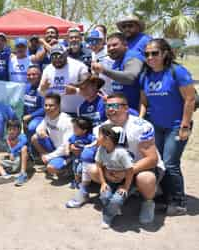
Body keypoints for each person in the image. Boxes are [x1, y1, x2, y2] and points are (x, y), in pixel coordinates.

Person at [69, 93, 165, 225]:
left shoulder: (141, 126)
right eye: (107, 106)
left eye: (115, 106)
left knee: (146, 178)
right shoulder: (100, 129)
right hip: (116, 169)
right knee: (92, 169)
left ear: (126, 108)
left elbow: (152, 159)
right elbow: (100, 157)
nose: (110, 109)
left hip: (141, 168)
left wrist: (126, 172)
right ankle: (113, 198)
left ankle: (148, 202)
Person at [139, 38, 196, 215]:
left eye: (154, 53)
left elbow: (190, 99)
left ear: (164, 53)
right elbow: (144, 102)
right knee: (159, 162)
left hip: (176, 126)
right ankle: (165, 197)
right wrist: (140, 120)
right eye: (147, 54)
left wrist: (185, 125)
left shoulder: (177, 72)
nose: (150, 57)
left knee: (171, 163)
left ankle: (179, 202)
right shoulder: (146, 75)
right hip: (156, 126)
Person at [91, 32, 144, 110]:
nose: (111, 48)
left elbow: (130, 78)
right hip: (121, 111)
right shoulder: (117, 61)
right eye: (108, 46)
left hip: (135, 111)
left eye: (115, 45)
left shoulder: (132, 57)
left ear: (125, 45)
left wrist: (103, 70)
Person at [95, 124, 134, 228]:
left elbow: (130, 171)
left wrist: (125, 187)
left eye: (99, 135)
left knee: (116, 200)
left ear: (107, 138)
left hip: (124, 182)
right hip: (110, 181)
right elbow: (98, 165)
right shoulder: (101, 149)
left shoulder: (121, 153)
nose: (97, 137)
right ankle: (114, 209)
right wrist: (103, 182)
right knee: (105, 196)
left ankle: (107, 217)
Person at [39, 46, 89, 116]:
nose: (57, 60)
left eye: (60, 56)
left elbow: (89, 91)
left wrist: (76, 91)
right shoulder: (47, 69)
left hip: (78, 113)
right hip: (56, 113)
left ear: (66, 54)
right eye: (53, 57)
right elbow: (41, 92)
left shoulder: (79, 67)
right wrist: (43, 89)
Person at [31, 93, 73, 176]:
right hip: (54, 147)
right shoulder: (48, 116)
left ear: (59, 106)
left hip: (65, 153)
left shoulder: (66, 121)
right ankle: (52, 160)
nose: (47, 108)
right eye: (46, 105)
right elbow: (39, 128)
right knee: (34, 138)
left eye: (51, 105)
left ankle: (68, 169)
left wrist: (48, 157)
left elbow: (65, 148)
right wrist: (41, 131)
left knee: (51, 168)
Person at [0, 120, 31, 186]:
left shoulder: (22, 136)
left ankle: (23, 174)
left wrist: (13, 151)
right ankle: (6, 176)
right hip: (14, 163)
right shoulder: (6, 139)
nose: (11, 131)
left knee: (24, 148)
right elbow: (6, 152)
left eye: (14, 129)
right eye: (9, 129)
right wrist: (7, 154)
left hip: (26, 162)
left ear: (18, 130)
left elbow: (24, 142)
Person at [67, 117, 96, 189]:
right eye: (74, 127)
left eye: (76, 128)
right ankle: (76, 181)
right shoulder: (74, 136)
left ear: (84, 130)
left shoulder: (89, 137)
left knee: (81, 170)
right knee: (75, 169)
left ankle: (84, 184)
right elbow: (69, 142)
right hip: (76, 157)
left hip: (85, 159)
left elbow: (95, 142)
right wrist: (68, 149)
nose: (74, 129)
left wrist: (88, 147)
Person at [86, 29, 114, 94]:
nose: (93, 44)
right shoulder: (93, 53)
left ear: (102, 41)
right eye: (90, 41)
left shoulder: (109, 52)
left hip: (111, 91)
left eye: (95, 41)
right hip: (100, 91)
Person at [23, 64, 45, 141]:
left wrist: (30, 116)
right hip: (25, 116)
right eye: (29, 75)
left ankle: (32, 150)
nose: (31, 77)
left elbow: (44, 108)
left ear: (40, 75)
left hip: (39, 117)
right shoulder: (25, 87)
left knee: (32, 127)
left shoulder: (44, 88)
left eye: (34, 74)